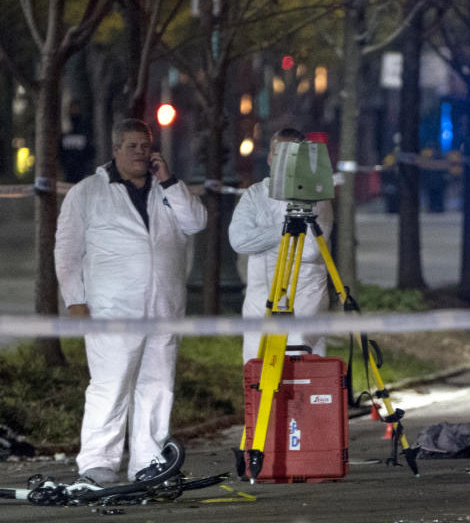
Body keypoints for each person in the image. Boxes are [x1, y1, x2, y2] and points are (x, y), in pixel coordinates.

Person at [54, 118, 207, 486]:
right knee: (111, 384)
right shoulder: (88, 192)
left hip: (163, 306)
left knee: (157, 385)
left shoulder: (167, 190)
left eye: (145, 145)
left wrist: (169, 181)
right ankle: (98, 461)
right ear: (116, 150)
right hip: (112, 308)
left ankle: (148, 460)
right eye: (132, 146)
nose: (140, 152)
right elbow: (68, 250)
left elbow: (197, 222)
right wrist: (75, 300)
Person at [229, 128, 334, 365]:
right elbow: (240, 241)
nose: (284, 160)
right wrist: (284, 230)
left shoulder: (316, 197)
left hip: (304, 297)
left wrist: (264, 240)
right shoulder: (256, 194)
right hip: (260, 296)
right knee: (257, 367)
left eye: (292, 154)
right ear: (269, 157)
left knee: (300, 366)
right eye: (279, 153)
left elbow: (310, 250)